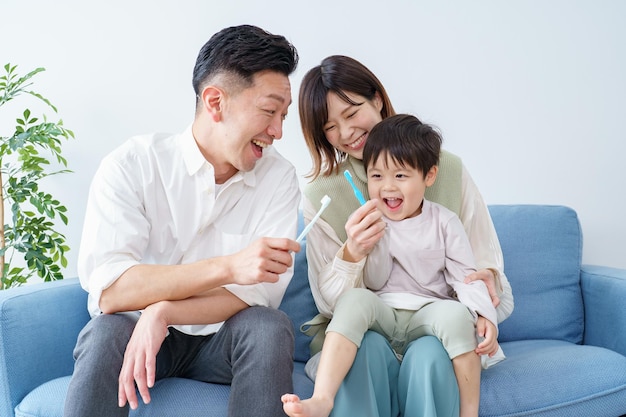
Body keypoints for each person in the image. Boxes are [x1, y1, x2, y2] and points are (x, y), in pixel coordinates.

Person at [63, 25, 301, 417]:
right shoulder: (134, 165)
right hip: (134, 336)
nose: (277, 131)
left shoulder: (278, 178)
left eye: (283, 116)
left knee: (267, 325)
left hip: (222, 341)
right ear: (215, 102)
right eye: (269, 111)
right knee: (106, 331)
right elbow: (110, 291)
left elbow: (258, 295)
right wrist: (228, 266)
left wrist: (164, 310)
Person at [291, 55, 515, 417]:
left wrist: (486, 286)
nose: (346, 133)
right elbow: (331, 304)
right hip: (368, 330)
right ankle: (323, 400)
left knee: (430, 356)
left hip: (433, 326)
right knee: (366, 352)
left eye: (351, 114)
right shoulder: (323, 194)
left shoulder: (447, 169)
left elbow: (481, 265)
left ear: (377, 99)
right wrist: (352, 253)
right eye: (330, 127)